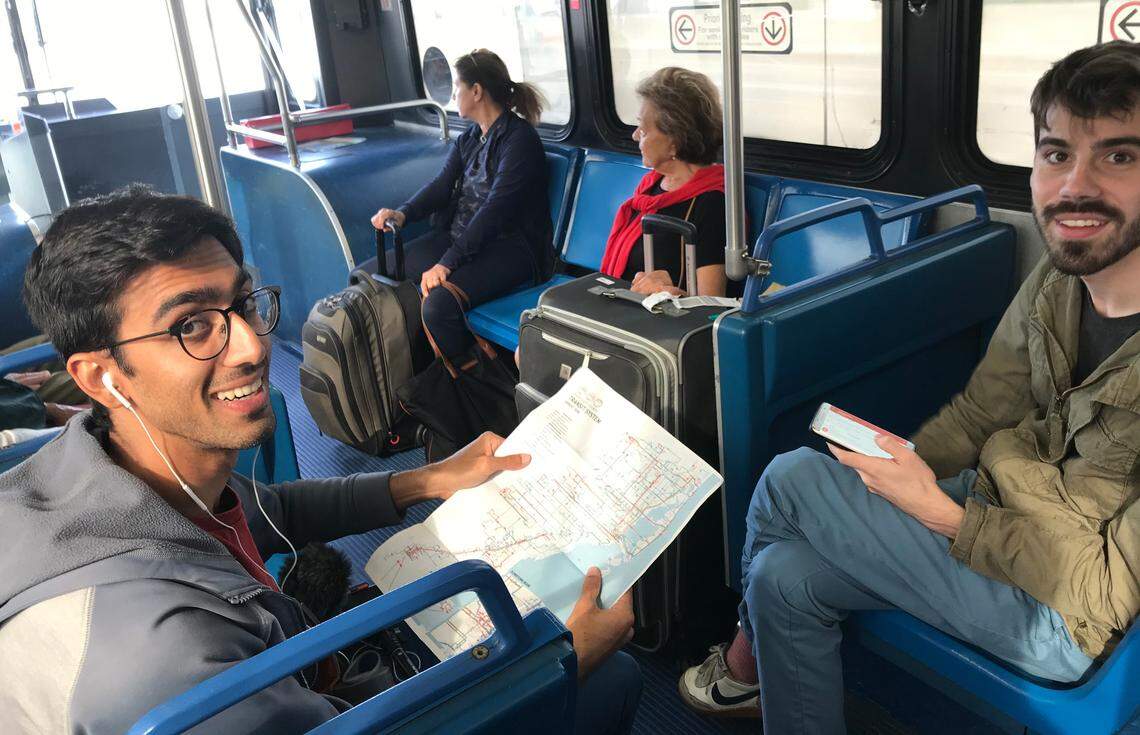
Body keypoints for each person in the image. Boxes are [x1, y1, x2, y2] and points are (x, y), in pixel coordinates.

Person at [0, 186, 641, 734]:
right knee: (611, 676)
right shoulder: (168, 659)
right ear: (100, 376)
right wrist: (562, 659)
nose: (252, 346)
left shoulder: (105, 468)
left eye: (242, 304)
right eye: (192, 326)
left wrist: (428, 479)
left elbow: (265, 511)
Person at [678, 41, 1140, 733]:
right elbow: (985, 408)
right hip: (997, 507)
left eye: (1119, 155)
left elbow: (1103, 595)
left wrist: (937, 513)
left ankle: (741, 668)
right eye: (1056, 154)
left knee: (791, 478)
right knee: (781, 577)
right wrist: (907, 471)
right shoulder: (1057, 281)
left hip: (1063, 616)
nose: (1076, 185)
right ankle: (755, 673)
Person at [370, 49, 553, 359]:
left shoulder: (519, 141)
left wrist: (446, 263)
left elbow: (496, 209)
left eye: (457, 87)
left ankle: (475, 384)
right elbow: (442, 186)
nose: (454, 95)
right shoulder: (469, 138)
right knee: (375, 279)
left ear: (477, 91)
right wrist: (403, 213)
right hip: (462, 238)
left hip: (511, 248)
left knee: (438, 305)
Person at [600, 67, 727, 297]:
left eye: (645, 130)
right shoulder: (649, 188)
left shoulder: (712, 204)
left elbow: (711, 306)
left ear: (674, 142)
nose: (635, 135)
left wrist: (668, 293)